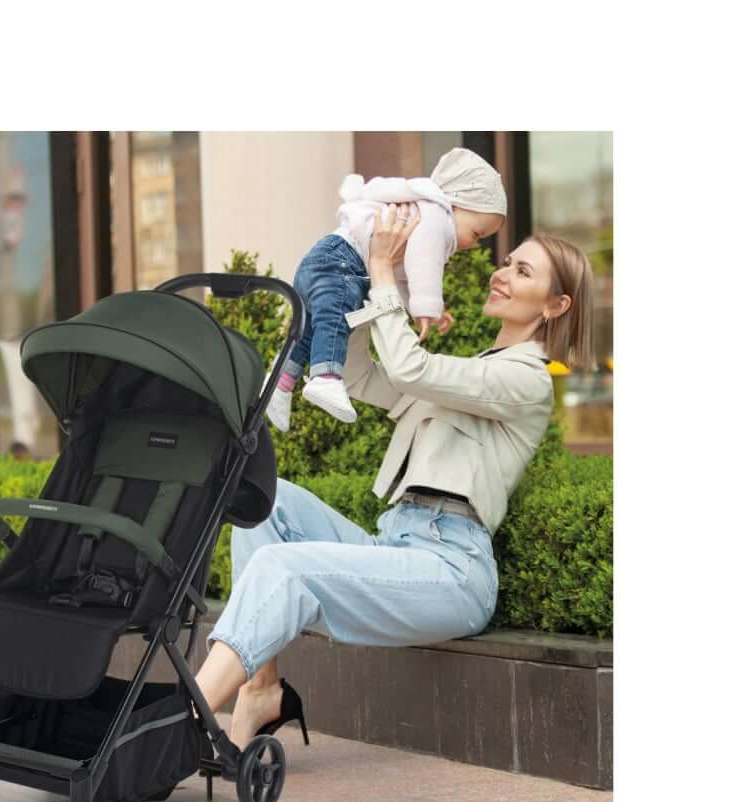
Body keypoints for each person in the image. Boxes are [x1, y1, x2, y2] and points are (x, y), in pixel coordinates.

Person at [198, 203, 595, 751]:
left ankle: (183, 724)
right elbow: (360, 375)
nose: (501, 273)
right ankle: (260, 688)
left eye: (522, 271)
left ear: (556, 305)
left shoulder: (526, 381)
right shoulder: (473, 371)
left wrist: (386, 273)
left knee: (281, 566)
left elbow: (411, 368)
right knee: (265, 501)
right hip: (398, 542)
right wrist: (368, 277)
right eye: (507, 262)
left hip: (452, 570)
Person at [266, 148, 507, 432]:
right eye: (477, 233)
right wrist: (427, 307)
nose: (474, 244)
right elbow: (424, 263)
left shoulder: (423, 215)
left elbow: (400, 280)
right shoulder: (435, 215)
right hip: (342, 262)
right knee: (333, 321)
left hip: (331, 260)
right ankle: (326, 378)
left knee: (309, 332)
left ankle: (278, 385)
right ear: (454, 205)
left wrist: (427, 308)